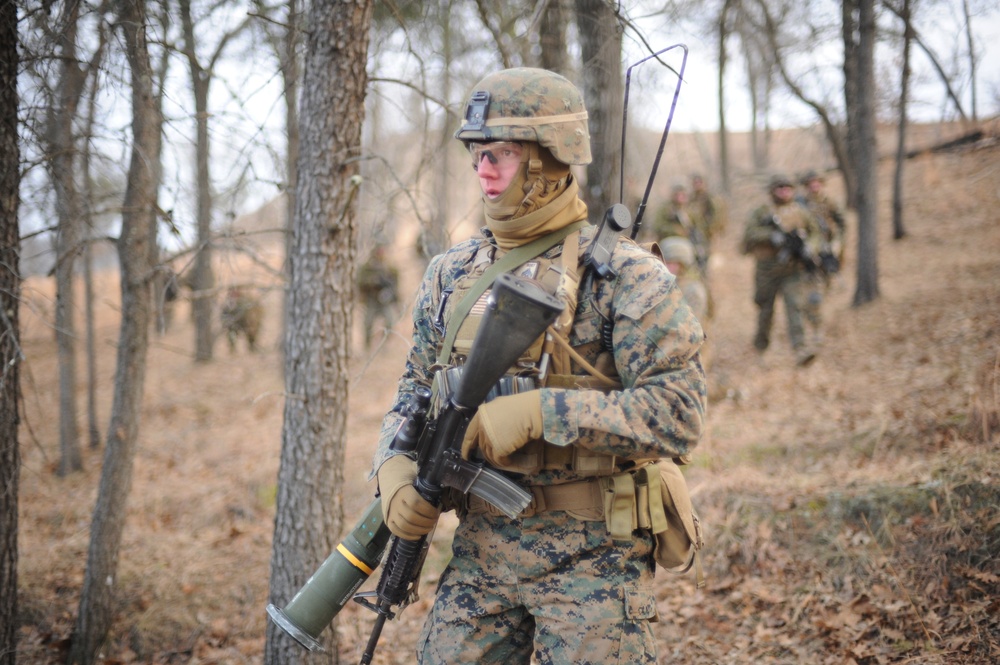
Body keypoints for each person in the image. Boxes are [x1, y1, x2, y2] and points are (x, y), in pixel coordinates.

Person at [371, 67, 707, 664]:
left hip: (595, 560)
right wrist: (392, 469)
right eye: (478, 152)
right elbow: (414, 391)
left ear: (554, 157)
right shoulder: (452, 274)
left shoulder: (627, 276)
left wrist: (539, 413)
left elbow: (678, 414)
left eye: (502, 152)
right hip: (480, 553)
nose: (484, 168)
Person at [742, 174, 825, 367]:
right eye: (780, 188)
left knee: (795, 306)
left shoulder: (800, 212)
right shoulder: (761, 212)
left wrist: (809, 247)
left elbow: (815, 233)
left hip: (792, 269)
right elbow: (749, 234)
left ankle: (800, 349)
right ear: (772, 191)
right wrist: (772, 236)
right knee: (765, 311)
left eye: (788, 188)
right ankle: (760, 349)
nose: (784, 192)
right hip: (767, 270)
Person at [645, 184, 709, 277]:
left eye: (683, 195)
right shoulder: (665, 209)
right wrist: (675, 230)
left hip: (687, 244)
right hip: (667, 243)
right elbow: (658, 227)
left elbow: (698, 227)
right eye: (678, 194)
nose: (680, 197)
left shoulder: (689, 210)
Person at [357, 243, 400, 349]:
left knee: (390, 322)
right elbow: (360, 281)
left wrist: (394, 296)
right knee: (368, 323)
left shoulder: (389, 266)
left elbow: (395, 282)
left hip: (384, 300)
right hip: (372, 299)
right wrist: (373, 281)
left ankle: (383, 344)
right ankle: (367, 345)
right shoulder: (368, 267)